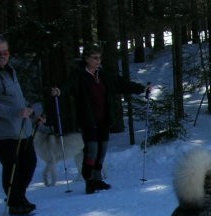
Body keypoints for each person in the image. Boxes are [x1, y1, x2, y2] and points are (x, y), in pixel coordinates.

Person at [51, 44, 149, 194]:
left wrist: (141, 89)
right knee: (92, 150)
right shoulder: (79, 75)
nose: (98, 61)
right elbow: (68, 86)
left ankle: (97, 178)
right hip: (88, 119)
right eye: (95, 58)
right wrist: (59, 91)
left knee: (102, 150)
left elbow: (120, 83)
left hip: (104, 118)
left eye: (99, 58)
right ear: (86, 59)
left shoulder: (103, 75)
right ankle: (89, 179)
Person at [0, 34, 43, 216]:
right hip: (3, 131)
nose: (2, 55)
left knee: (29, 163)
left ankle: (19, 197)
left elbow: (19, 99)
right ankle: (15, 203)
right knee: (12, 167)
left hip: (22, 129)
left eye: (5, 52)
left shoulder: (10, 70)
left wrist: (33, 114)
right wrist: (16, 113)